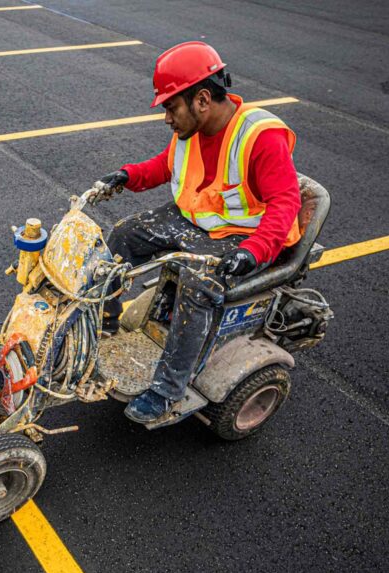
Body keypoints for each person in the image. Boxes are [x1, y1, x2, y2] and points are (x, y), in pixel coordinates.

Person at [96, 41, 302, 424]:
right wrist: (128, 176)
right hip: (199, 222)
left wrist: (254, 251)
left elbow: (286, 203)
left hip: (246, 235)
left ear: (202, 100)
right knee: (123, 236)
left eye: (171, 107)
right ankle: (106, 329)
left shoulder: (260, 135)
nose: (166, 118)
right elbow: (165, 165)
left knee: (199, 282)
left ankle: (167, 390)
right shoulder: (192, 132)